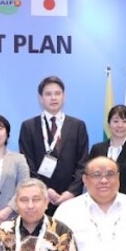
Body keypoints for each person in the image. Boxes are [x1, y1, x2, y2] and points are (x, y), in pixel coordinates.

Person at [18, 76, 88, 213]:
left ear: (64, 96)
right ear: (40, 98)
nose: (53, 98)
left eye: (57, 93)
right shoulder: (29, 126)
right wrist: (44, 189)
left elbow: (83, 162)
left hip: (71, 198)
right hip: (40, 198)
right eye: (48, 94)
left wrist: (72, 191)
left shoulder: (77, 125)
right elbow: (28, 163)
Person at [85, 104, 126, 200]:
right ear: (108, 124)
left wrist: (123, 201)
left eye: (124, 121)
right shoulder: (97, 149)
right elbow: (89, 175)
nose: (120, 125)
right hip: (98, 201)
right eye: (115, 121)